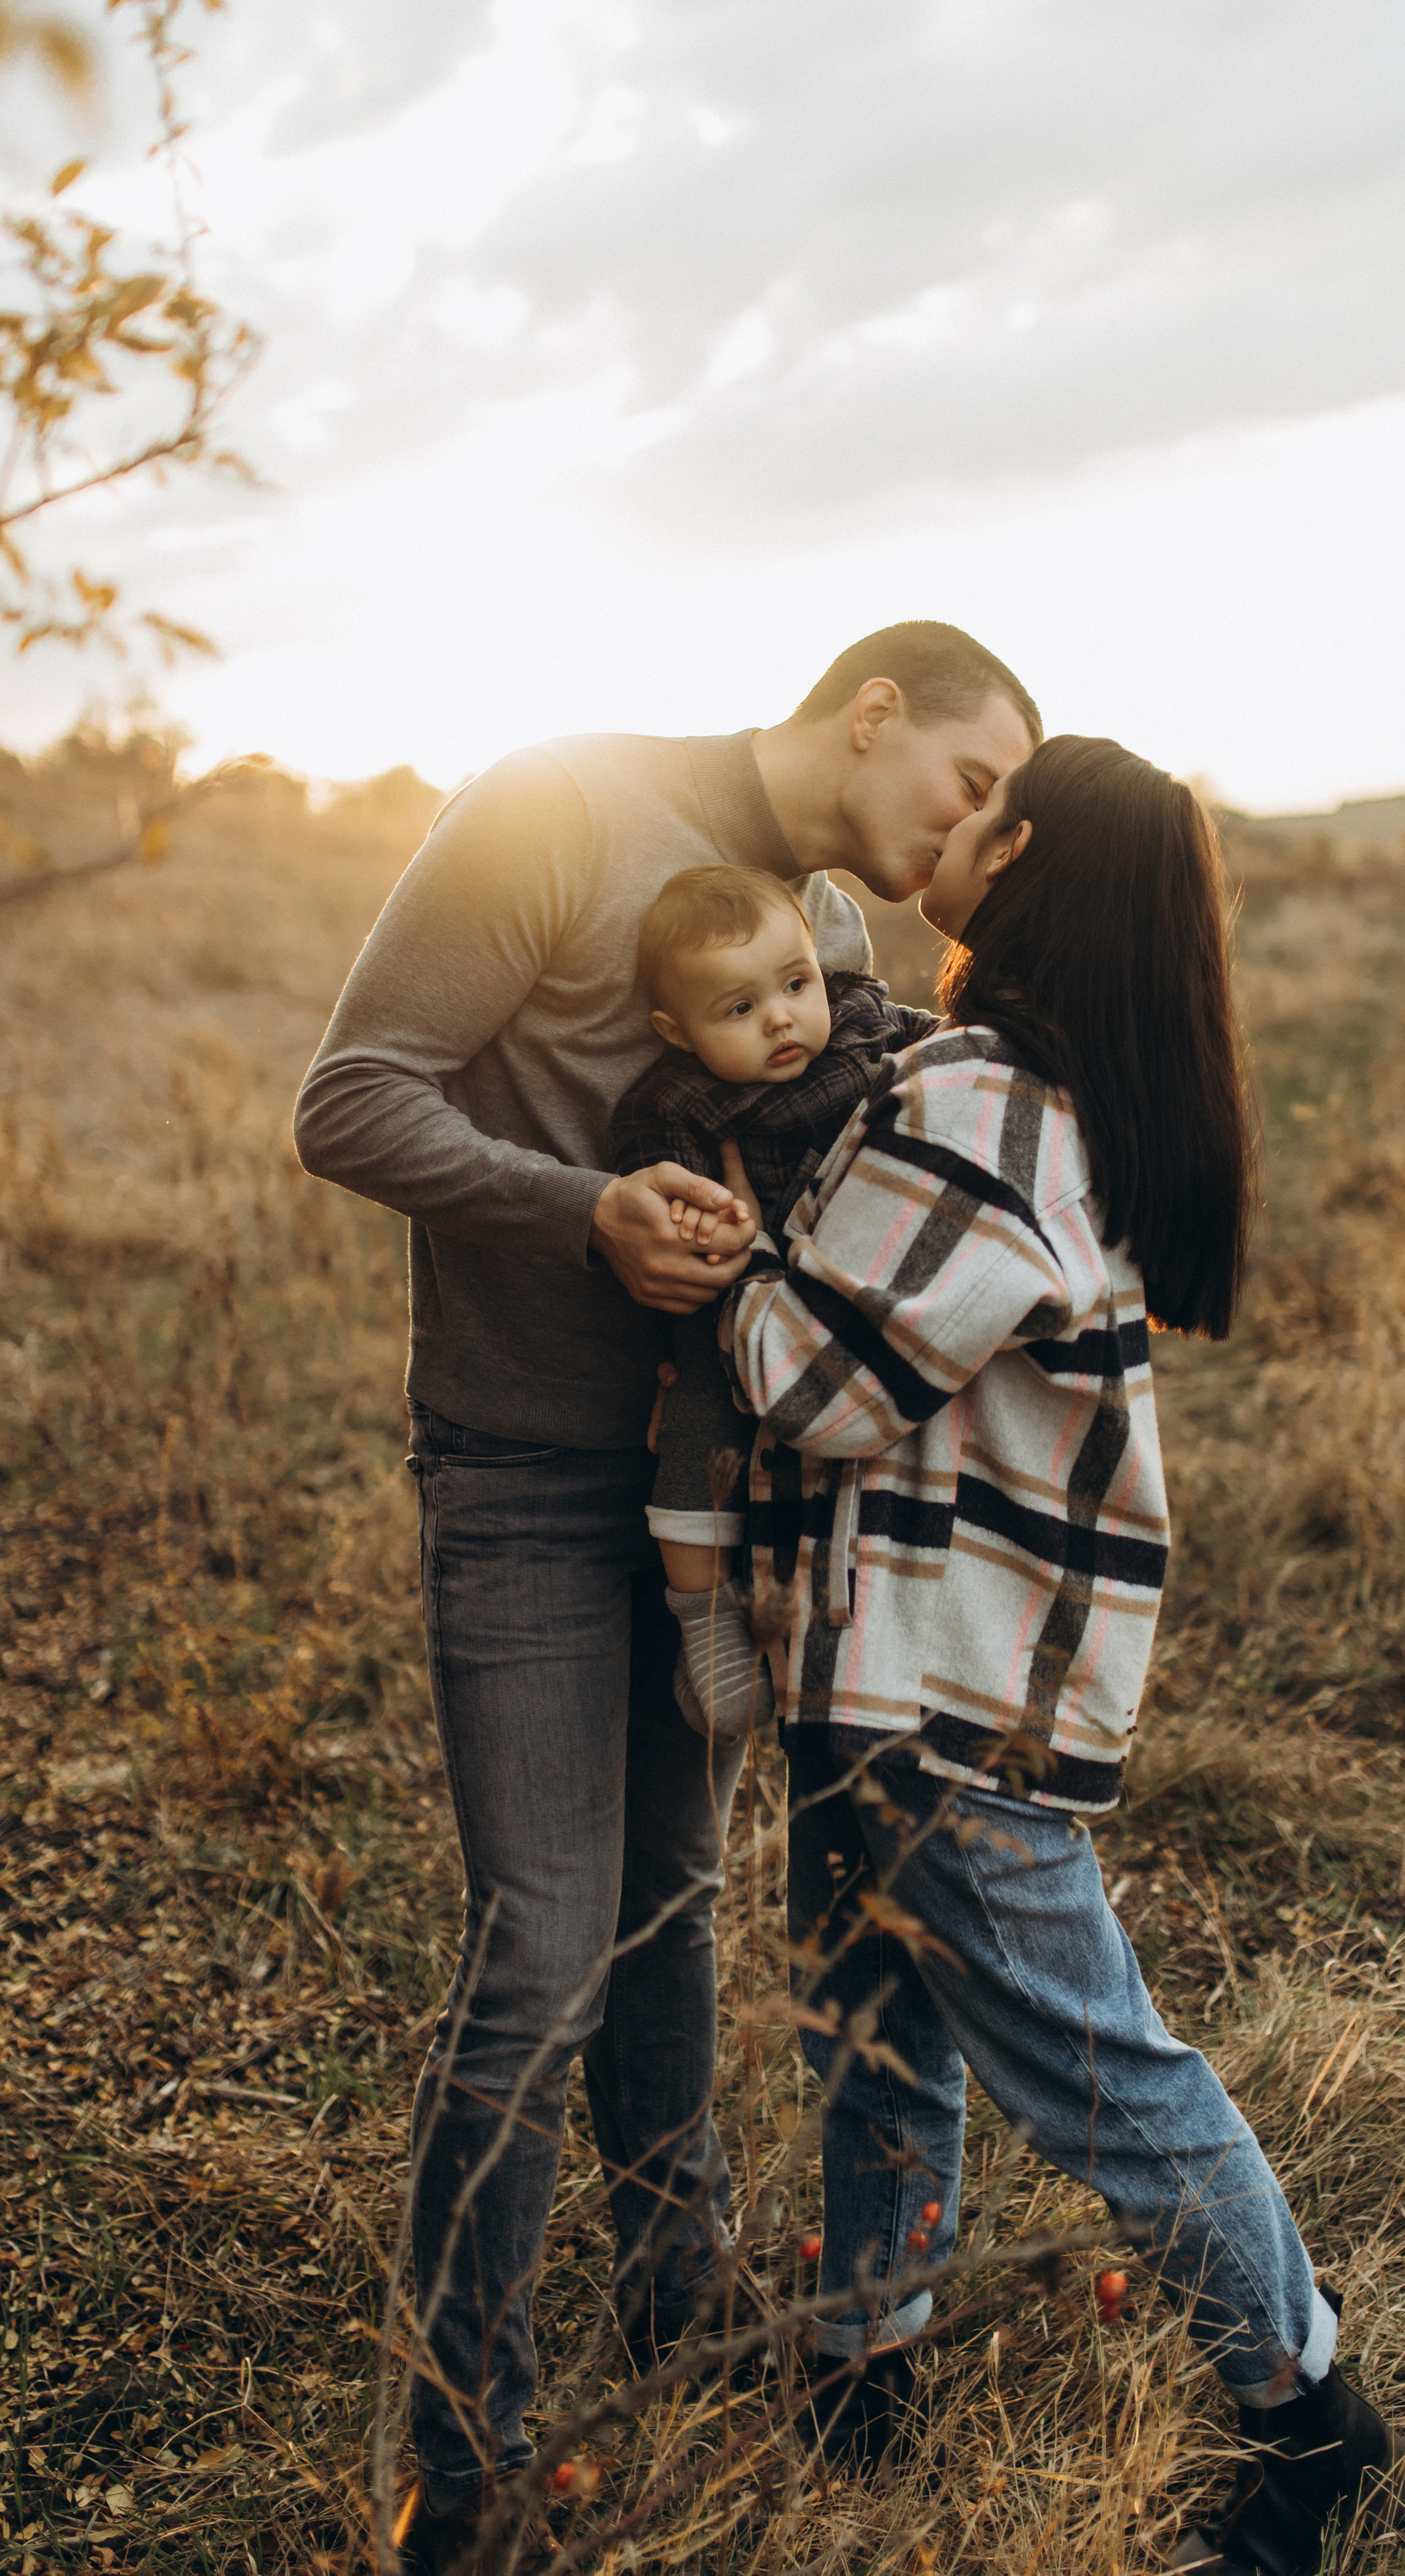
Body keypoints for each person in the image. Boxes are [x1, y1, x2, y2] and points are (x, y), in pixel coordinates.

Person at [290, 620, 1038, 2575]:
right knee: (543, 1939)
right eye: (965, 785)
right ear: (873, 712)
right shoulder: (551, 806)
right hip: (529, 1473)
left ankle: (683, 2291)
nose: (964, 833)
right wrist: (583, 1211)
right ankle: (456, 2470)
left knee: (677, 1904)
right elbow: (349, 1099)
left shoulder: (824, 950)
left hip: (720, 1497)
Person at [723, 737, 1405, 2574]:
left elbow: (806, 1383)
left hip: (945, 1687)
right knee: (877, 2020)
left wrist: (714, 1251)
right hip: (904, 1663)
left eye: (979, 809)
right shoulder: (1029, 1092)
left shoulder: (981, 1109)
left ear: (1022, 858)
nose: (943, 828)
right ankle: (874, 2356)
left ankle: (1309, 2418)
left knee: (1100, 2065)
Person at [609, 862, 938, 1737]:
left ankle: (846, 1615)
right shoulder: (676, 1104)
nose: (782, 1018)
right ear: (675, 1033)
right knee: (695, 1430)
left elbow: (958, 1054)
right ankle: (708, 1619)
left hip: (855, 1297)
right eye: (738, 1010)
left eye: (794, 985)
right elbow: (663, 1216)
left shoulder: (867, 1029)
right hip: (731, 1311)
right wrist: (708, 1229)